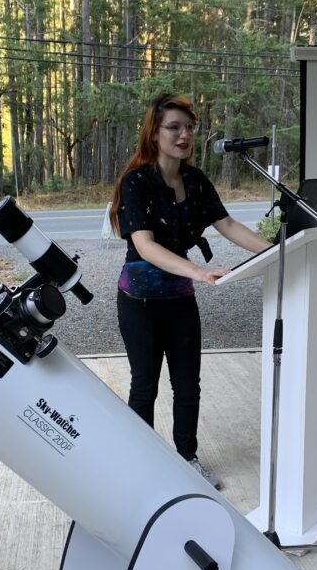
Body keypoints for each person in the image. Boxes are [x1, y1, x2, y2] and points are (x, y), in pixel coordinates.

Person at [109, 93, 272, 488]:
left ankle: (186, 458)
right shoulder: (137, 182)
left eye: (189, 128)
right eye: (174, 127)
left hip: (179, 301)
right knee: (144, 384)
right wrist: (197, 271)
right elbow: (145, 246)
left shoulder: (196, 181)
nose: (184, 135)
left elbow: (229, 225)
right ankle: (141, 465)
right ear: (154, 132)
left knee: (188, 383)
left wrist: (278, 252)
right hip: (140, 302)